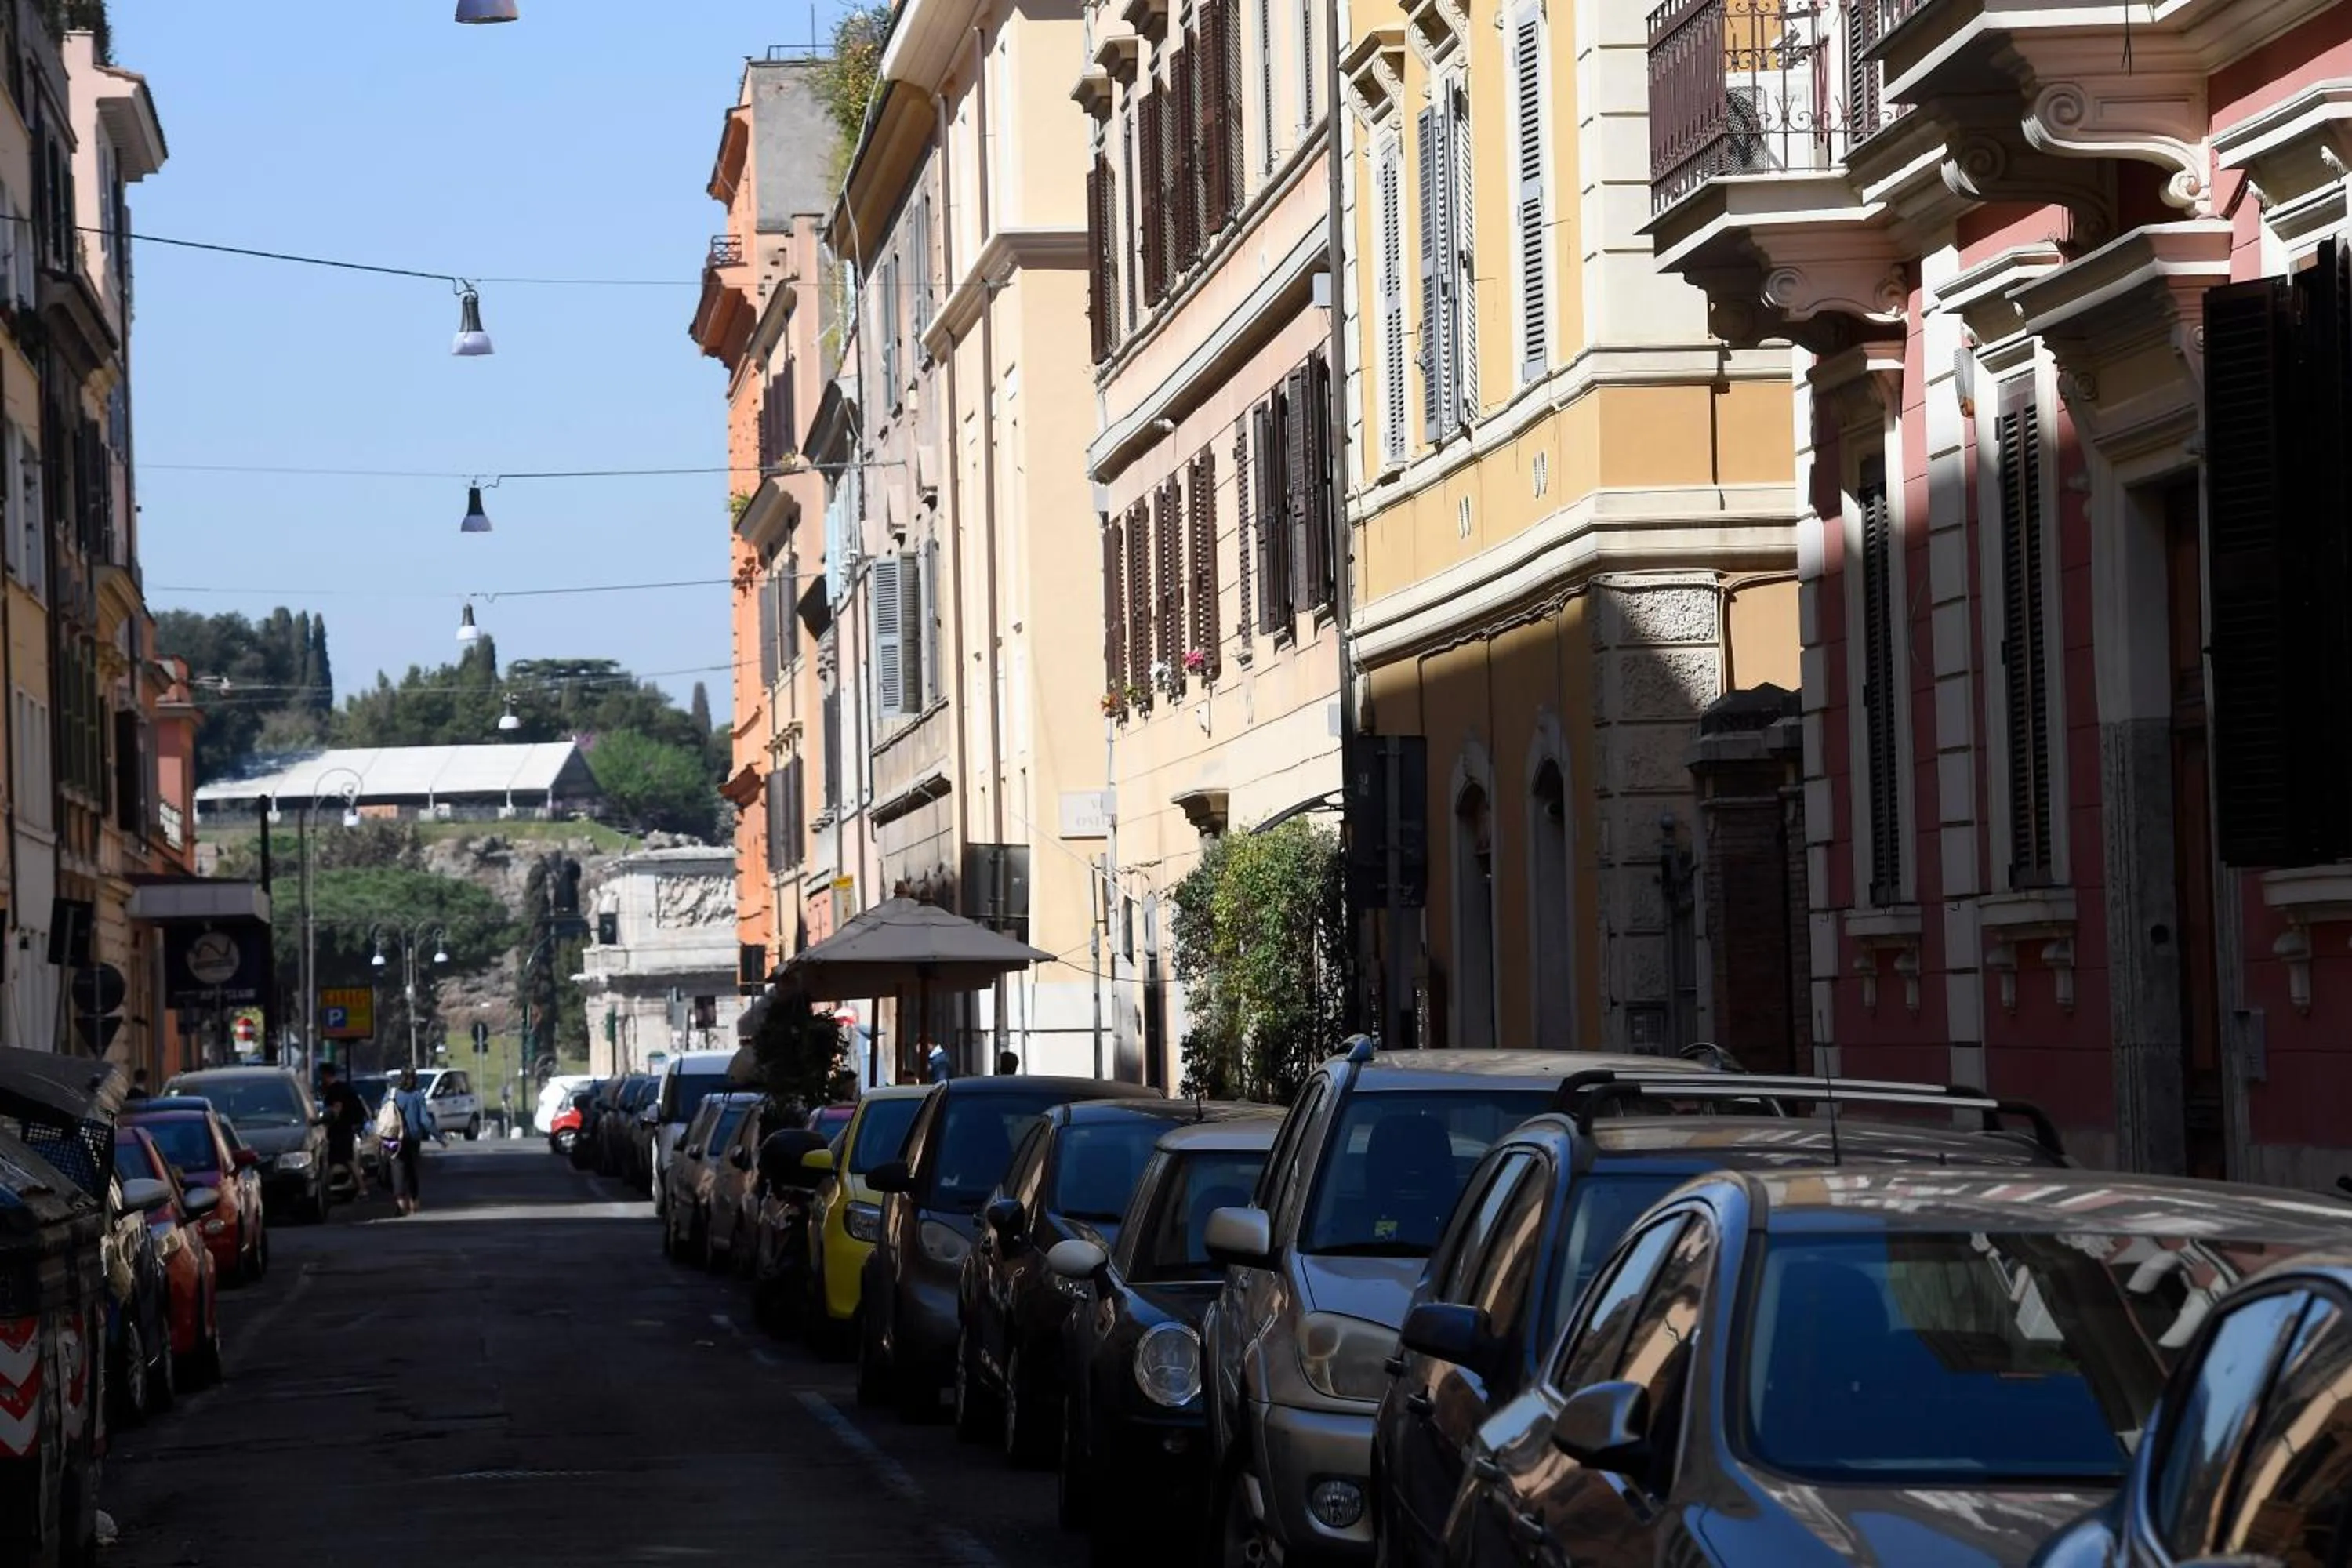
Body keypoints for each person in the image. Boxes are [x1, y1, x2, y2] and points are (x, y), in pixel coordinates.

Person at [383, 1068, 444, 1217]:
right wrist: (440, 1138)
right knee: (412, 1171)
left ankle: (400, 1204)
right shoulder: (418, 1096)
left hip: (394, 1138)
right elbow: (425, 1120)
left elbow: (383, 1115)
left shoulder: (391, 1095)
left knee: (397, 1169)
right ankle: (413, 1203)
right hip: (412, 1139)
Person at [318, 1062, 368, 1199]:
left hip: (340, 1131)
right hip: (345, 1129)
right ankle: (328, 1189)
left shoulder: (335, 1090)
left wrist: (321, 1121)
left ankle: (361, 1188)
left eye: (321, 1075)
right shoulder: (343, 1088)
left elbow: (336, 1111)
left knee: (344, 1160)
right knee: (339, 1160)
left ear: (326, 1074)